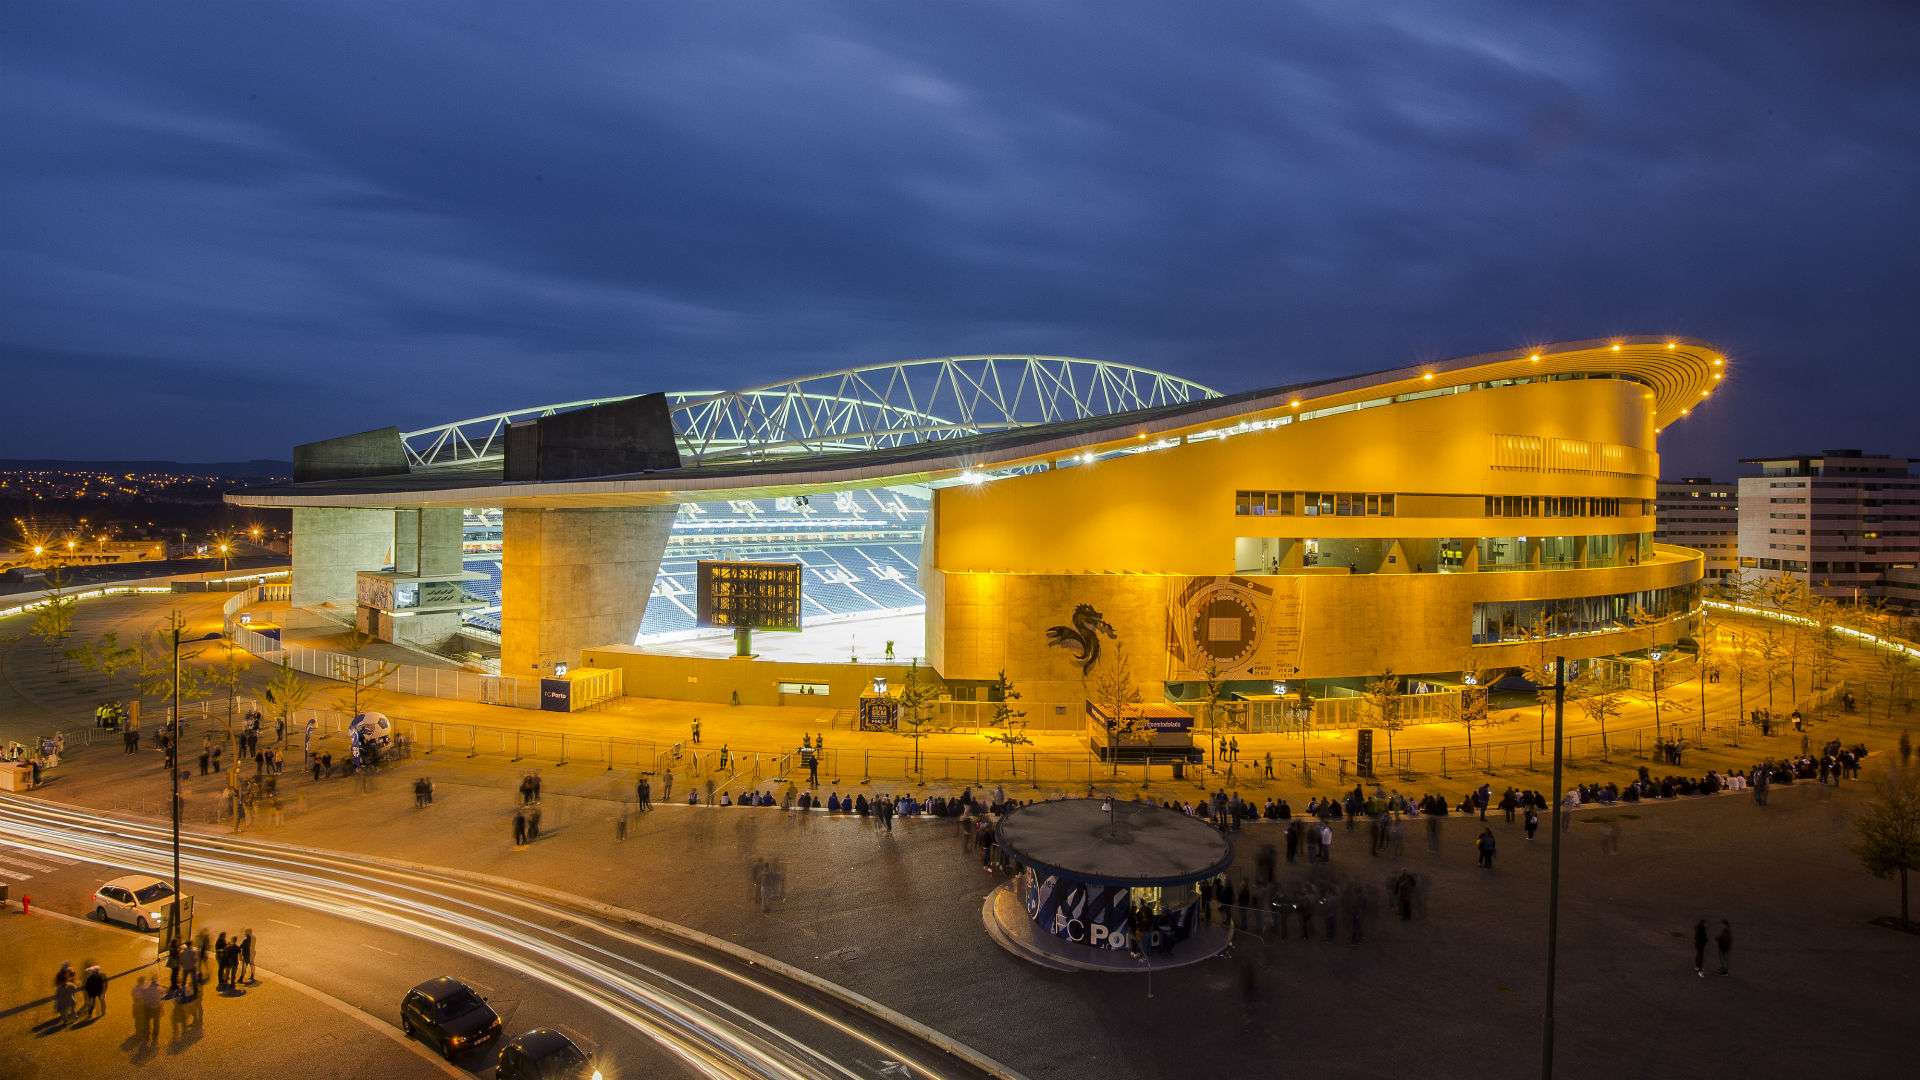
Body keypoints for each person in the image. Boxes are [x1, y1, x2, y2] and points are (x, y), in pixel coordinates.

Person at [53, 962, 77, 1027]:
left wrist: (56, 1003)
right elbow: (75, 987)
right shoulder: (66, 976)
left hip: (64, 1000)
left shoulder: (59, 987)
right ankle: (73, 1017)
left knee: (64, 1010)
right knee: (71, 1008)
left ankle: (66, 1019)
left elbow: (57, 995)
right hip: (70, 997)